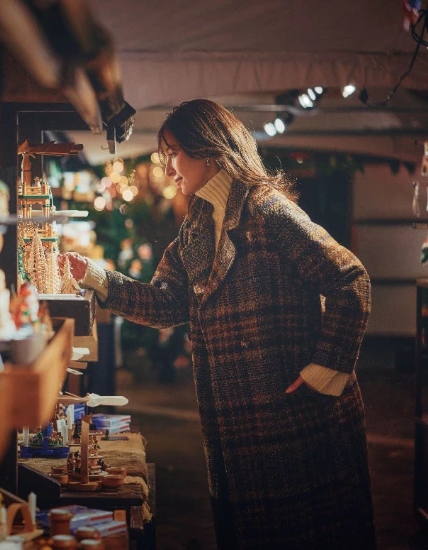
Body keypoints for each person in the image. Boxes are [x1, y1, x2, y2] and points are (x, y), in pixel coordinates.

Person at [62, 99, 375, 549]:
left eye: (173, 153)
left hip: (296, 417)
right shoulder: (197, 224)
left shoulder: (268, 212)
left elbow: (350, 280)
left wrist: (324, 371)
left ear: (209, 150)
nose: (168, 167)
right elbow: (168, 304)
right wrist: (94, 277)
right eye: (164, 154)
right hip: (240, 426)